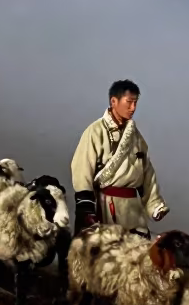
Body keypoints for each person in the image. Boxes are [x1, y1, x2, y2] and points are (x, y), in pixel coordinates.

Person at [70, 79, 169, 237]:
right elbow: (82, 168)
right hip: (106, 206)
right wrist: (86, 207)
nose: (133, 108)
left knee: (137, 253)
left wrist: (154, 204)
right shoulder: (95, 131)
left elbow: (146, 172)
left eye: (135, 103)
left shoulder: (136, 137)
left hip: (132, 208)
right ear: (114, 101)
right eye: (129, 102)